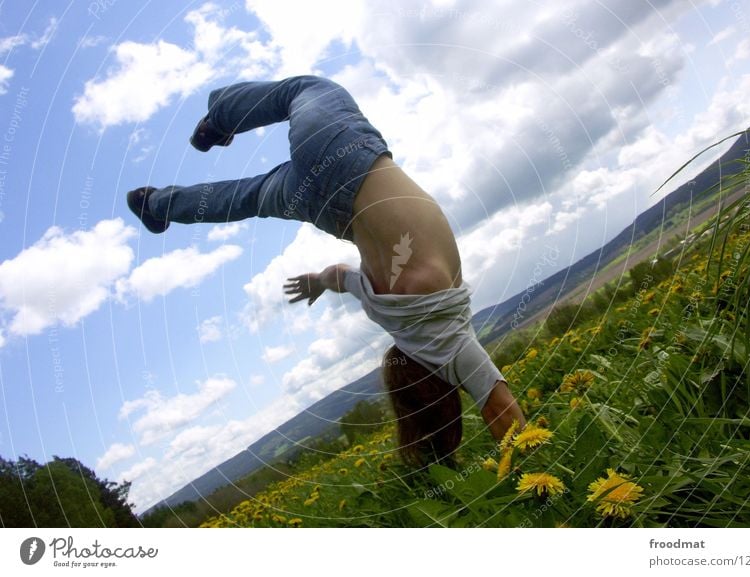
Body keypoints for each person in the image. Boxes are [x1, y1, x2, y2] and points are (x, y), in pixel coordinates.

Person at [127, 75, 526, 466]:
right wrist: (318, 282)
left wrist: (534, 474)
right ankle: (157, 205)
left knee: (306, 90)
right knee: (246, 197)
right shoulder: (390, 317)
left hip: (348, 160)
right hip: (324, 210)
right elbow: (341, 276)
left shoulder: (450, 338)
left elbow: (499, 406)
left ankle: (219, 116)